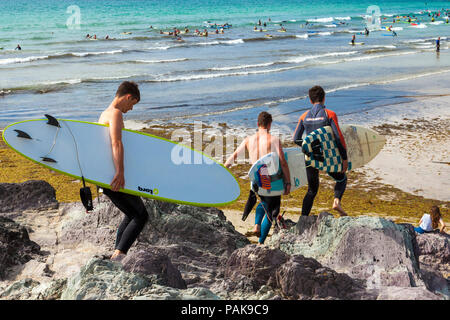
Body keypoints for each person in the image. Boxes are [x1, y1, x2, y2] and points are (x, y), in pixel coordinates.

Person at [98, 81, 149, 261]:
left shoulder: (104, 113)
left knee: (132, 213)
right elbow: (116, 143)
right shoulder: (116, 113)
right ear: (128, 97)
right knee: (141, 215)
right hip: (113, 175)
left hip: (104, 174)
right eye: (132, 104)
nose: (131, 109)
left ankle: (116, 253)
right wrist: (120, 172)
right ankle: (119, 255)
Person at [225, 112, 291, 244]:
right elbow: (283, 162)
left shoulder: (248, 140)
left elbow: (233, 156)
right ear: (269, 125)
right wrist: (288, 182)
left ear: (258, 124)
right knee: (272, 211)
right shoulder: (273, 140)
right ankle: (261, 242)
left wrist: (223, 168)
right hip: (270, 179)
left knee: (263, 202)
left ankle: (256, 225)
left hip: (255, 179)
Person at [293, 85, 348, 217]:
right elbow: (338, 137)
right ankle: (336, 202)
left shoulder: (303, 116)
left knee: (312, 190)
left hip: (310, 157)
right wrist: (344, 158)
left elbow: (296, 138)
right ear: (324, 98)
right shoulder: (330, 114)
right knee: (341, 179)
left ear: (310, 100)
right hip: (328, 156)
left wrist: (308, 150)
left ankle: (303, 219)